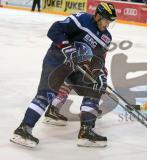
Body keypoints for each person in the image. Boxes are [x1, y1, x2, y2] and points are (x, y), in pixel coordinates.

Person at [10, 2, 117, 148]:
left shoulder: (106, 37)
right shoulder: (82, 19)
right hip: (57, 60)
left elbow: (98, 59)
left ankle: (86, 132)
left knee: (94, 87)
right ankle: (23, 129)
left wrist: (99, 72)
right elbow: (55, 29)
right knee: (46, 94)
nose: (107, 24)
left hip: (76, 68)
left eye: (110, 21)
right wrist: (66, 47)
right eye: (106, 20)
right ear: (98, 16)